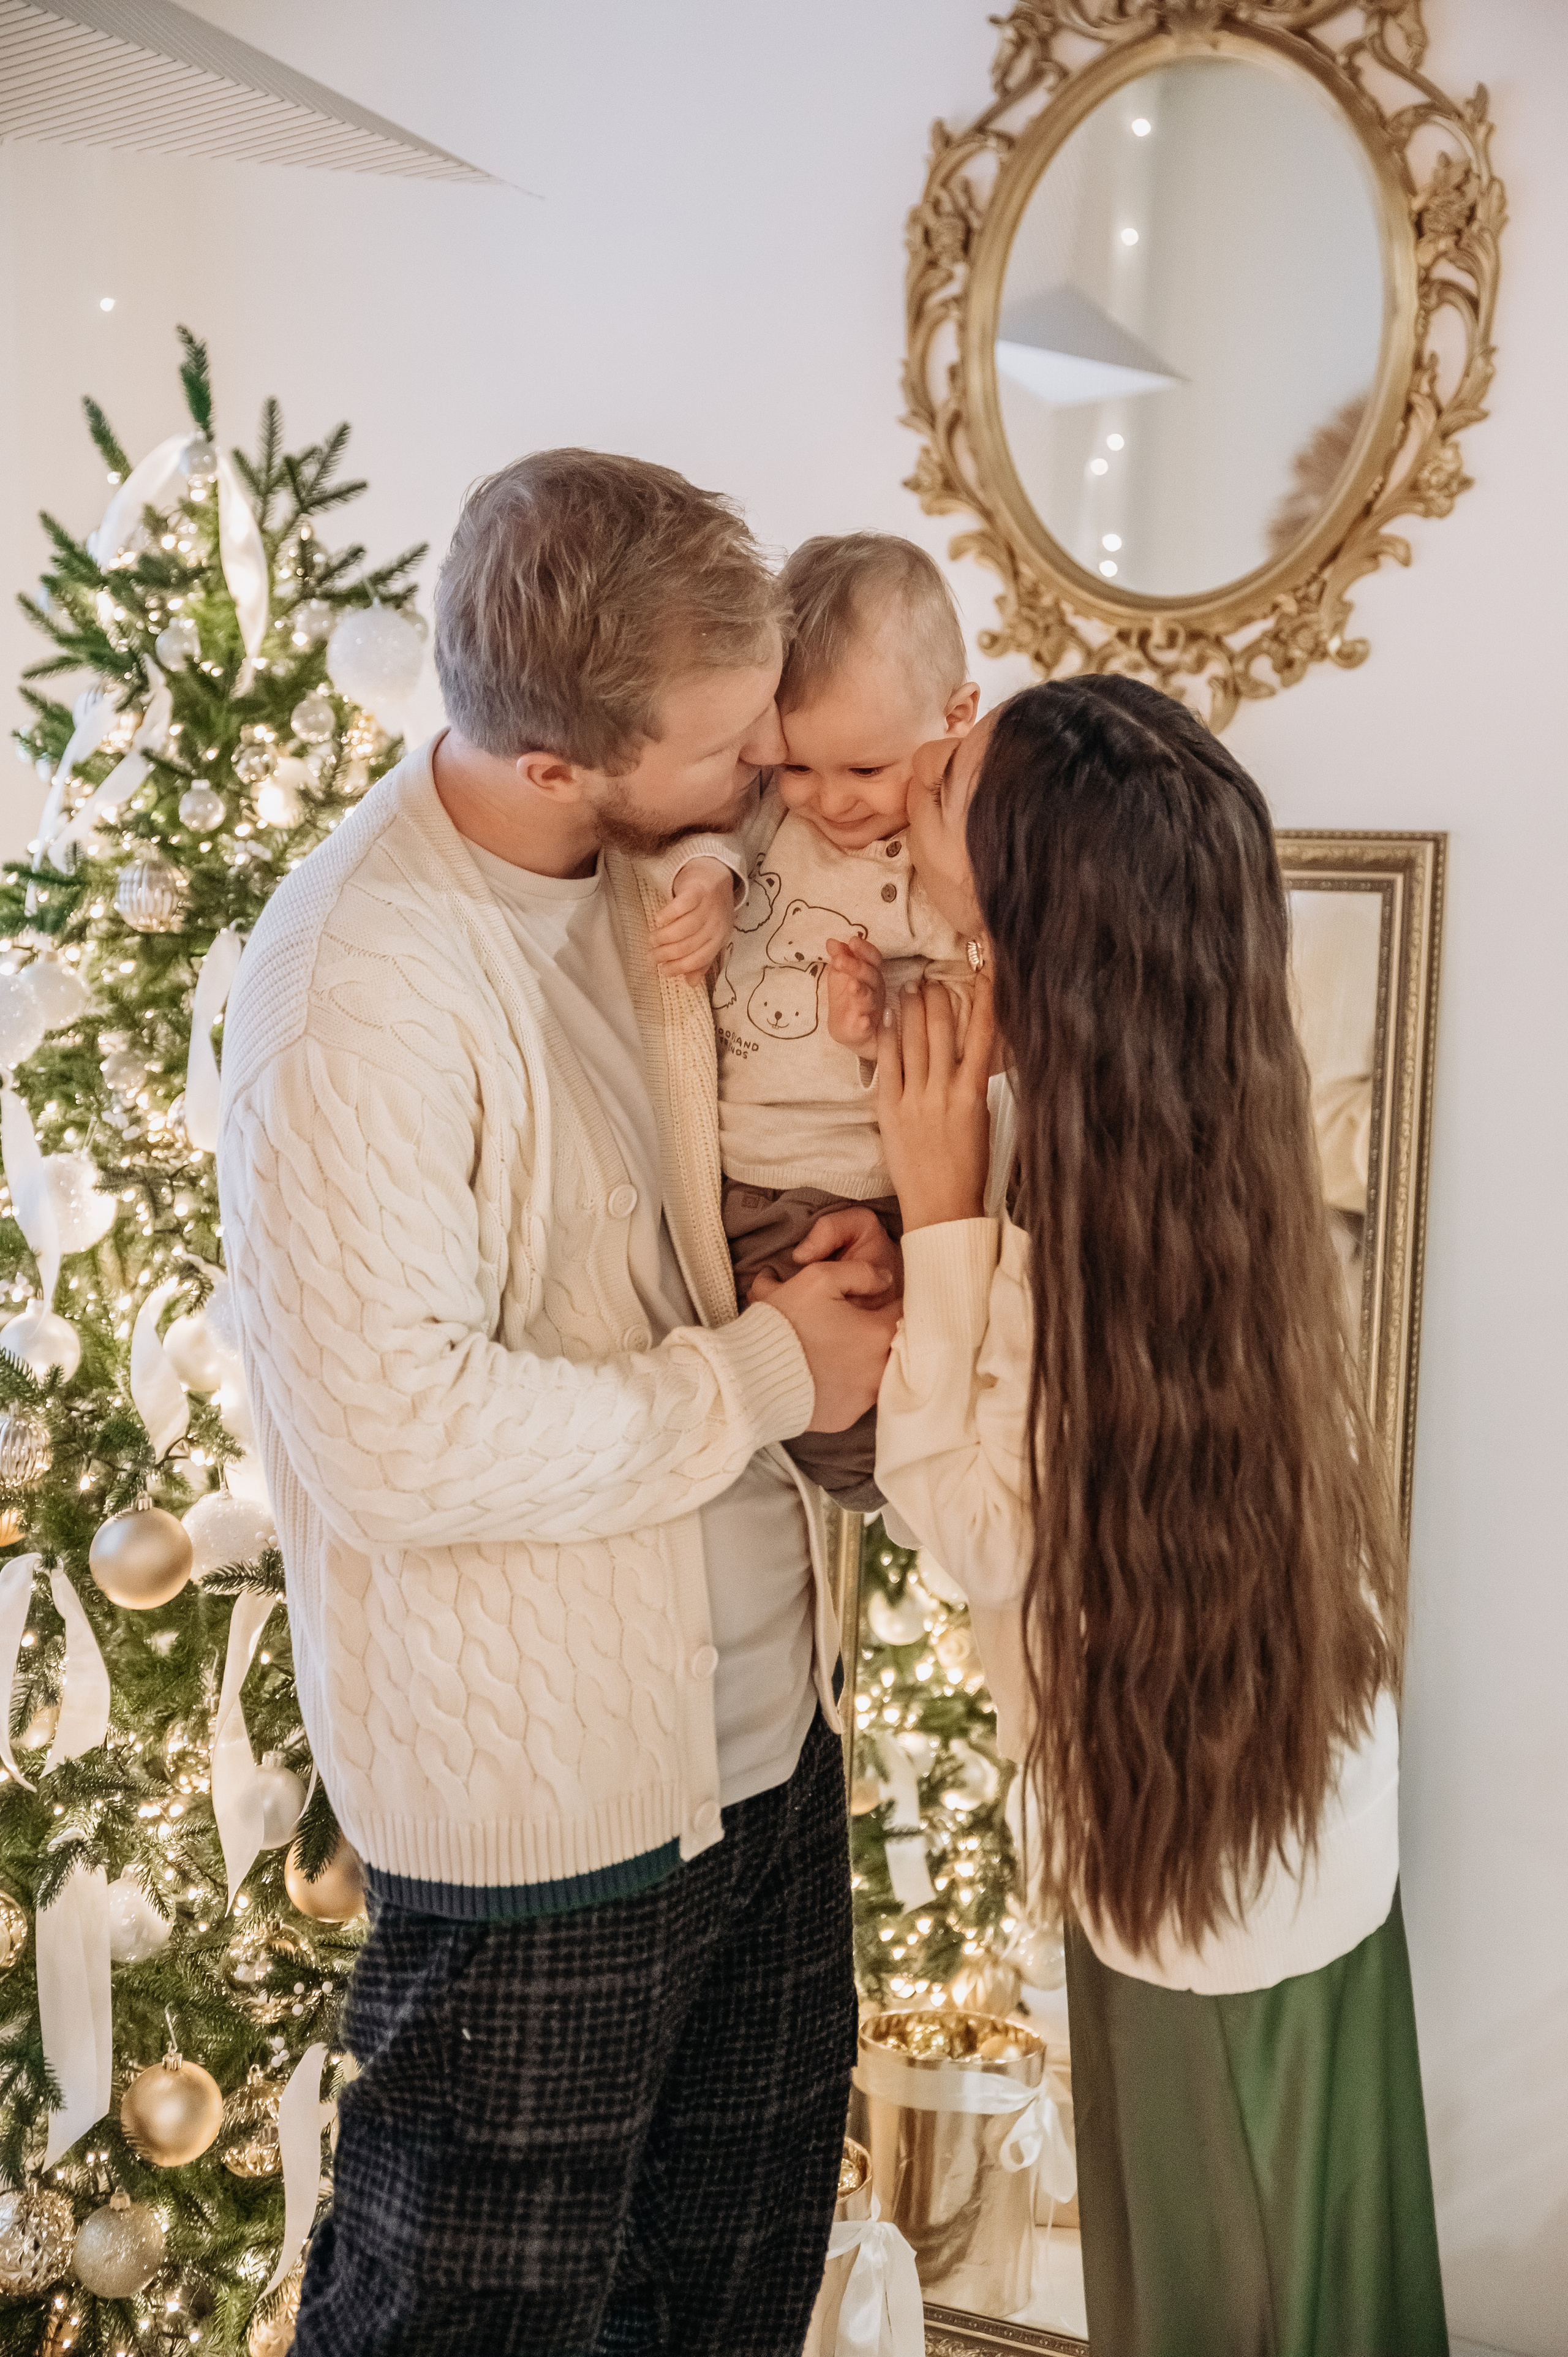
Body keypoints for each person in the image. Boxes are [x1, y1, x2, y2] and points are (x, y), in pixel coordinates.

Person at [216, 450, 902, 2357]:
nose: (770, 757)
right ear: (554, 763)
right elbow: (398, 1443)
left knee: (733, 2303)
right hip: (543, 1839)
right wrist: (778, 1369)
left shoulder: (666, 872)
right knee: (465, 2327)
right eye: (729, 740)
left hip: (770, 1758)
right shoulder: (355, 993)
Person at [864, 676, 1449, 2356]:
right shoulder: (1204, 1119)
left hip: (1200, 1897)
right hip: (1292, 1819)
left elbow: (975, 1529)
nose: (912, 776)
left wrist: (936, 1208)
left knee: (1223, 2294)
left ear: (1030, 917)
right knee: (1327, 2280)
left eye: (944, 786)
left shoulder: (1071, 1222)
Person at [666, 532, 980, 1509]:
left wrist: (882, 1021)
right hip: (734, 1182)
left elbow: (977, 1010)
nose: (830, 800)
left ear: (954, 720)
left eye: (866, 769)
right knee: (778, 1417)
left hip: (870, 1190)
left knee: (875, 1439)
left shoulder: (943, 856)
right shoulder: (774, 807)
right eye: (800, 765)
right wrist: (710, 880)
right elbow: (717, 830)